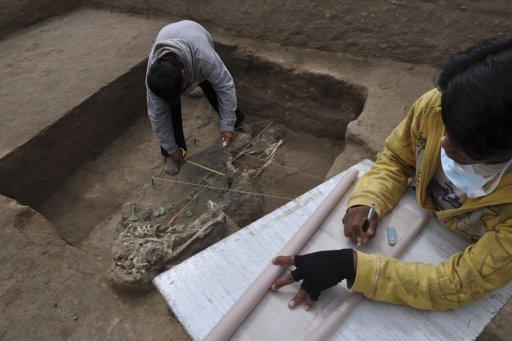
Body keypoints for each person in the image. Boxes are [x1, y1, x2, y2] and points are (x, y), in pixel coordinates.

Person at [271, 35, 512, 311]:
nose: (444, 144)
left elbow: (455, 285)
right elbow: (397, 158)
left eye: (465, 145)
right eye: (447, 128)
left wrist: (351, 267)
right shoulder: (436, 106)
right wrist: (368, 199)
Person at [146, 20, 245, 175]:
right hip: (169, 38)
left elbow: (225, 86)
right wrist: (170, 148)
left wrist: (227, 125)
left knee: (212, 85)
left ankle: (237, 122)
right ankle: (172, 153)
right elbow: (157, 114)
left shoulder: (205, 59)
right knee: (169, 106)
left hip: (194, 34)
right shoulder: (154, 78)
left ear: (184, 74)